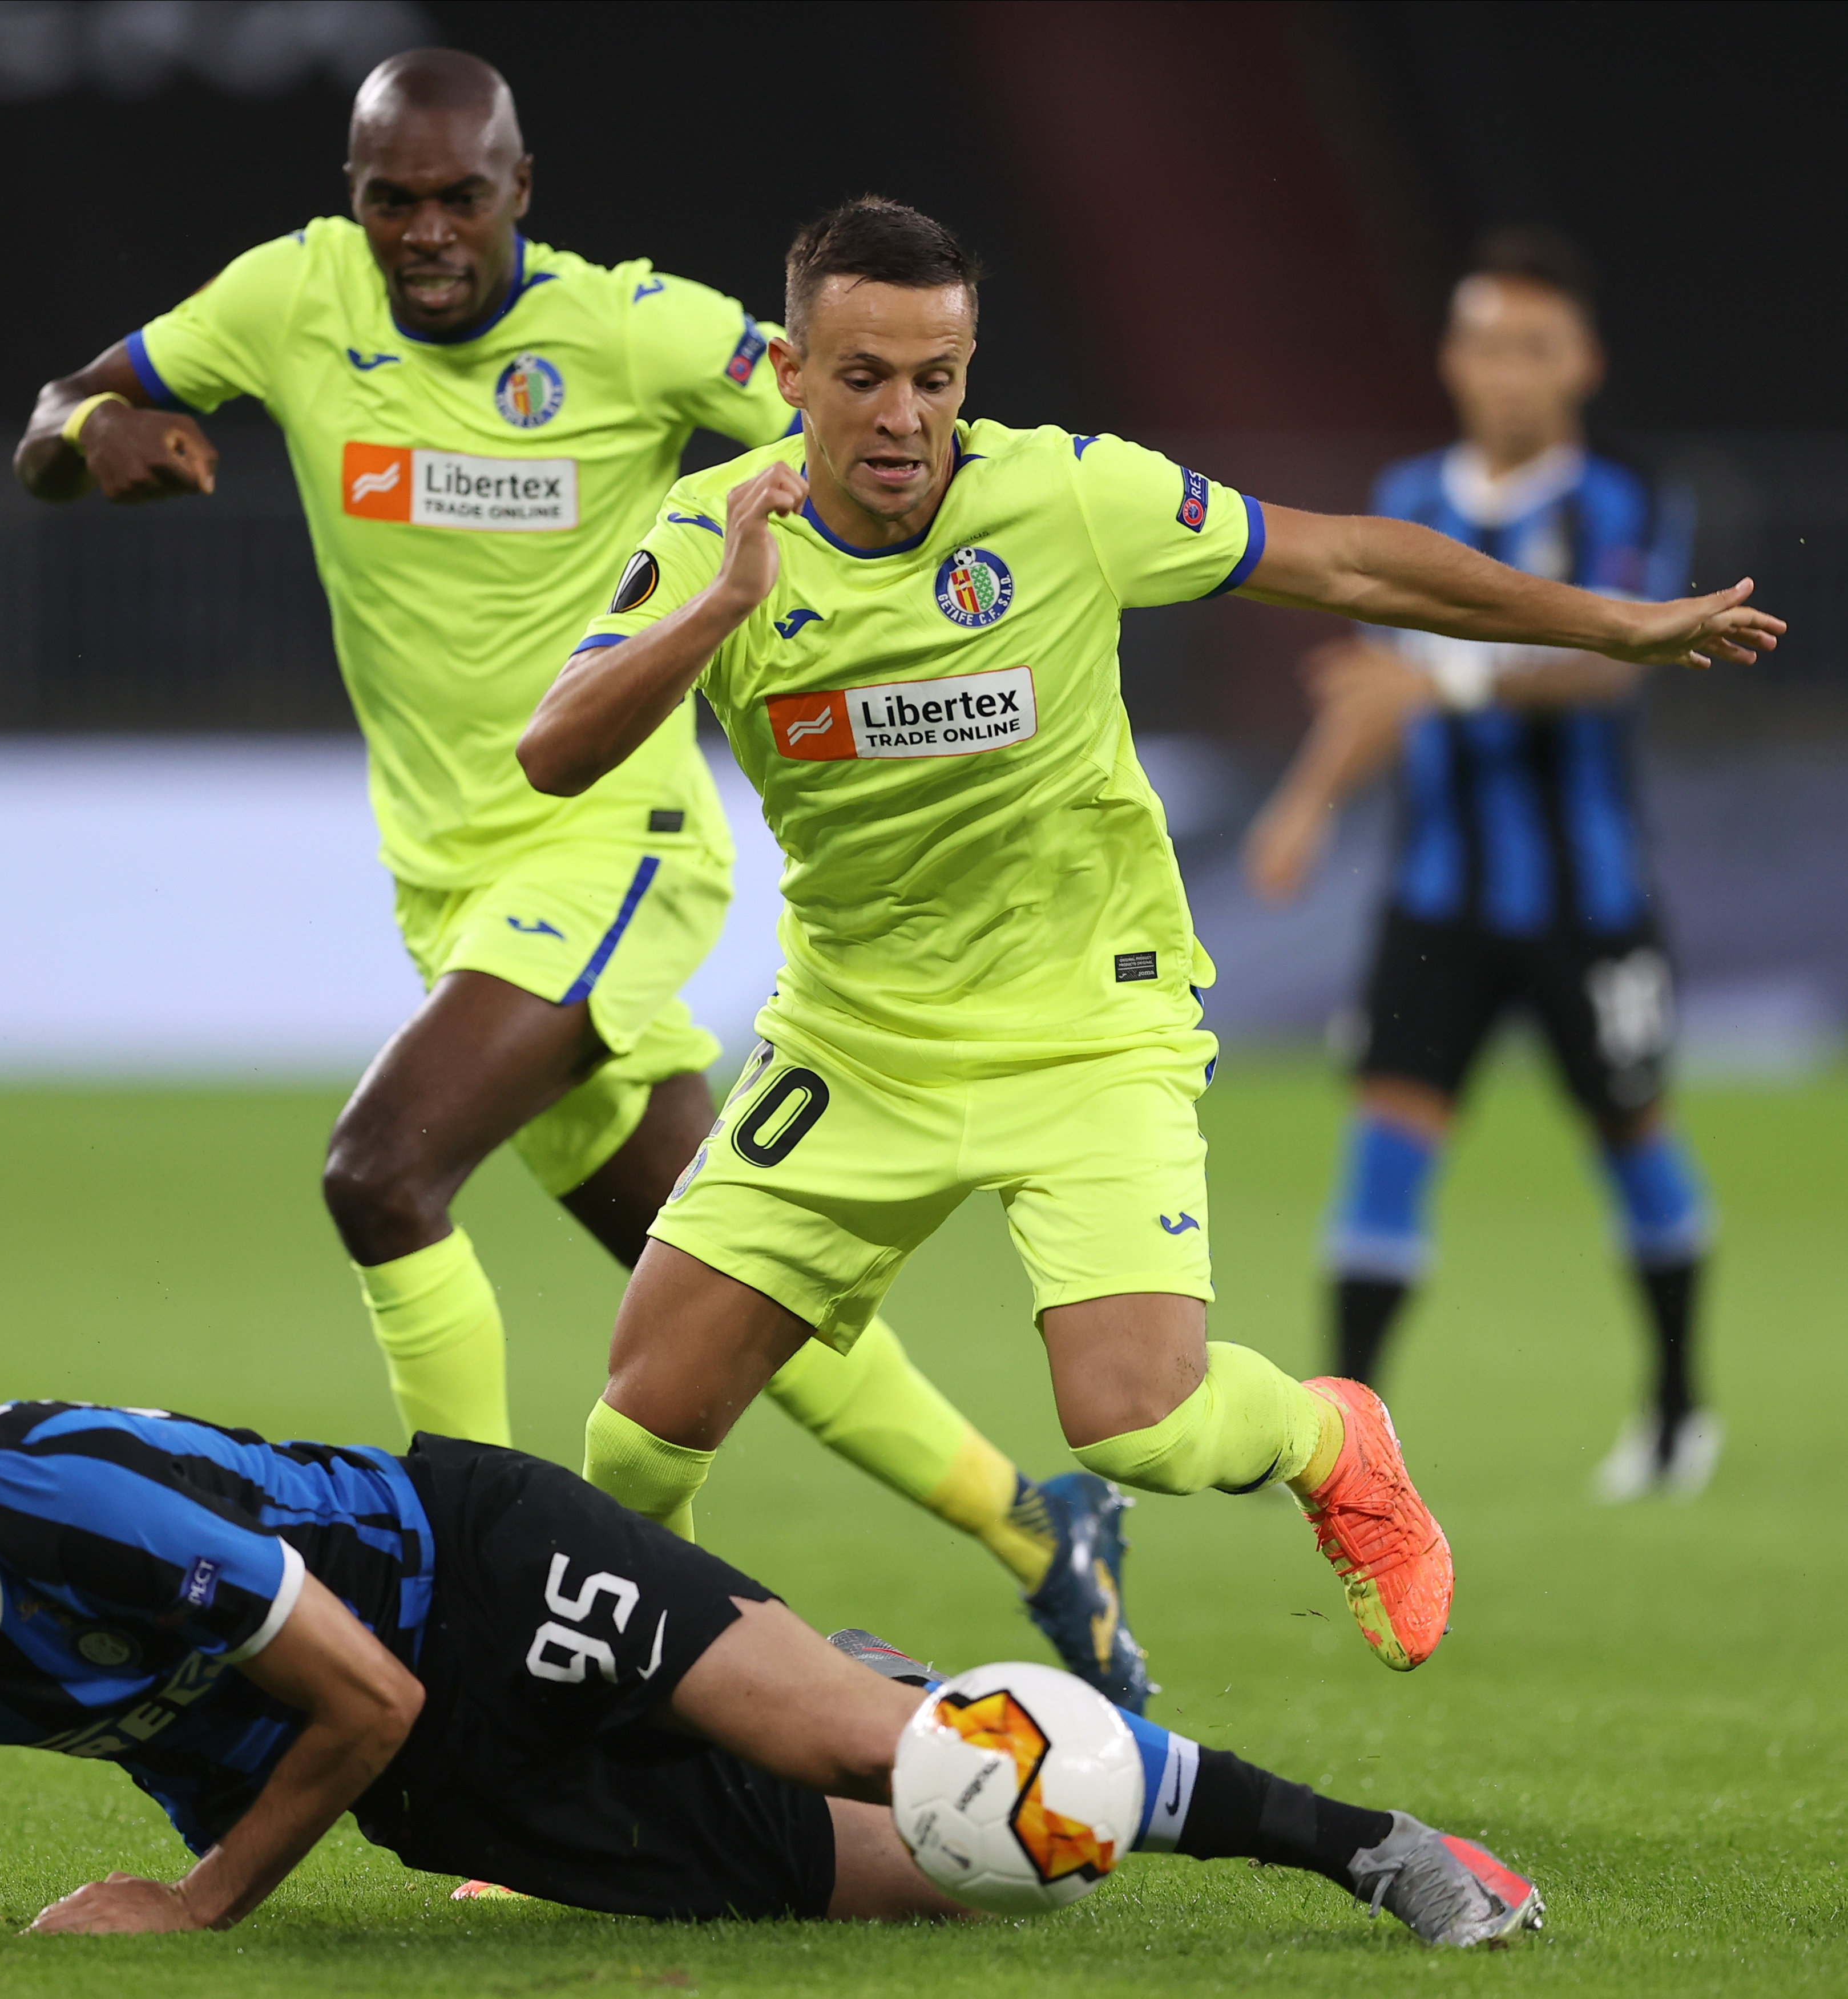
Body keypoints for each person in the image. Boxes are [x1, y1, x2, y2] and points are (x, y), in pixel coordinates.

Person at [9, 50, 1145, 1701]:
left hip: (609, 840)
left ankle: (459, 1610)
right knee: (716, 1270)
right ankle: (1035, 1528)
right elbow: (49, 415)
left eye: (456, 194)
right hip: (448, 882)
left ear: (517, 191)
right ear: (350, 195)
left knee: (378, 1174)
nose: (421, 230)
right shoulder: (282, 301)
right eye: (386, 196)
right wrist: (96, 432)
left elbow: (869, 423)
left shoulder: (634, 330)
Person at [517, 200, 1780, 1673]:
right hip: (857, 1039)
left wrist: (1605, 625)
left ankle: (1329, 1439)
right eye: (863, 376)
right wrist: (719, 608)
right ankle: (590, 1747)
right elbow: (553, 751)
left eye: (937, 375)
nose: (903, 414)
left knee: (1140, 1427)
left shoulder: (1066, 497)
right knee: (644, 1419)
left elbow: (1352, 565)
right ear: (788, 372)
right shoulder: (708, 534)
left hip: (1087, 1025)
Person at [0, 1363, 1542, 1949]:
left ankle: (1375, 1846)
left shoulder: (58, 1500)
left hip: (471, 1570)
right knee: (964, 1883)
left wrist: (196, 1903)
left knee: (918, 1763)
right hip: (418, 1769)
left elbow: (358, 1685)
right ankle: (831, 1670)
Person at [1242, 232, 1717, 1501]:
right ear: (1452, 358)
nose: (1506, 372)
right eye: (1485, 344)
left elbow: (1609, 664)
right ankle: (1352, 1457)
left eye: (1533, 348)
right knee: (1383, 1153)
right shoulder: (1404, 501)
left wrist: (1439, 678)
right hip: (1434, 905)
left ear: (1579, 364)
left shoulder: (1620, 500)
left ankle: (1675, 1407)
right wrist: (1301, 807)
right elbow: (1367, 694)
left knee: (1632, 1140)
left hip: (1587, 904)